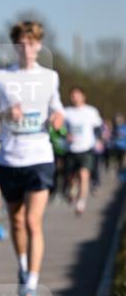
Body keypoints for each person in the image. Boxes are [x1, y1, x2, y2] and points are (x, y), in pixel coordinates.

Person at [0, 20, 64, 296]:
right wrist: (5, 113)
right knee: (16, 220)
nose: (27, 48)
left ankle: (31, 284)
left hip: (40, 157)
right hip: (9, 159)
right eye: (22, 43)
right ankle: (23, 264)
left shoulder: (50, 78)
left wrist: (57, 117)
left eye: (33, 42)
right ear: (15, 45)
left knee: (32, 221)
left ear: (40, 45)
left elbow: (57, 107)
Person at [63, 87, 103, 215]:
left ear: (83, 96)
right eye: (72, 95)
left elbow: (99, 127)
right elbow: (59, 128)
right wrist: (65, 134)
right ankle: (72, 189)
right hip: (71, 149)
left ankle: (81, 203)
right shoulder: (66, 112)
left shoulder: (91, 111)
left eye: (77, 94)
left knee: (84, 175)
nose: (74, 97)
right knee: (71, 177)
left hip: (86, 148)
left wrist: (99, 140)